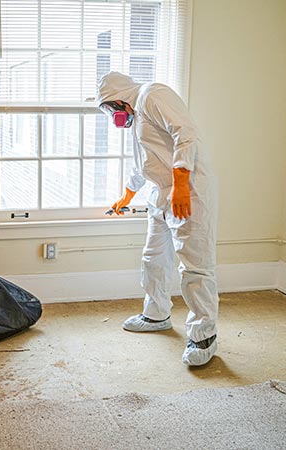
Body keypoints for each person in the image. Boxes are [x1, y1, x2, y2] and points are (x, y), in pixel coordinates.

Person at [97, 72, 219, 366]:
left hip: (188, 190)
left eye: (112, 107)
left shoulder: (153, 95)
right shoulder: (137, 116)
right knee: (153, 258)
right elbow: (145, 163)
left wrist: (180, 185)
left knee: (194, 265)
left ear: (121, 96)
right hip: (161, 192)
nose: (114, 115)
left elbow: (185, 132)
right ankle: (156, 314)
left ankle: (204, 336)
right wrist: (127, 196)